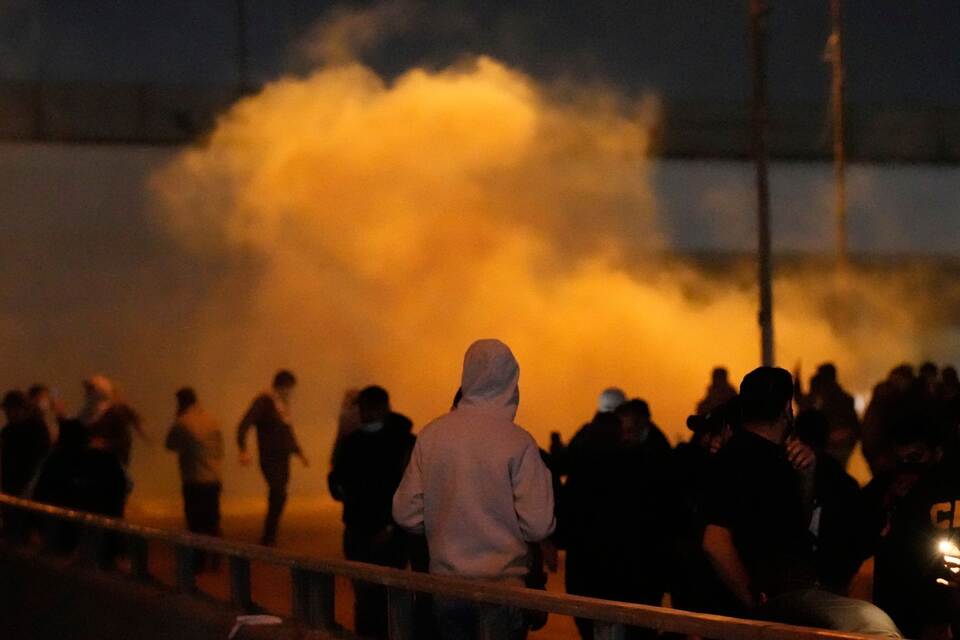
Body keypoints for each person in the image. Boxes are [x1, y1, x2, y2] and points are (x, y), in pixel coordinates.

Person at [702, 366, 900, 637]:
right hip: (778, 600)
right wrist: (755, 602)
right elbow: (715, 540)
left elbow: (796, 523)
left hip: (787, 595)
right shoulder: (739, 460)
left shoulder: (776, 460)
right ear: (787, 408)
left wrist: (806, 478)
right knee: (874, 624)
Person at [392, 339, 555, 640]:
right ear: (511, 382)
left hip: (446, 586)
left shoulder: (433, 435)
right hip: (505, 589)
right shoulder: (518, 443)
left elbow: (405, 514)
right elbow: (538, 525)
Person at [565, 395, 672, 639]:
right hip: (632, 579)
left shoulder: (592, 461)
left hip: (608, 578)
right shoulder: (655, 458)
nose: (625, 436)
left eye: (630, 430)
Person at [328, 385, 415, 638]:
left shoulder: (353, 443)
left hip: (364, 532)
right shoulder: (405, 441)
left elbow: (337, 483)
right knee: (388, 597)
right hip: (388, 533)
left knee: (368, 598)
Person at [237, 369, 308, 546]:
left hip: (283, 458)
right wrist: (243, 449)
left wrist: (299, 452)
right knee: (278, 492)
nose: (290, 393)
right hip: (270, 458)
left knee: (280, 495)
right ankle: (268, 536)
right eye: (289, 388)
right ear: (282, 386)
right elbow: (244, 424)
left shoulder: (281, 406)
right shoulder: (263, 402)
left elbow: (287, 431)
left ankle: (270, 534)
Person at [165, 387, 224, 570]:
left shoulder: (182, 422)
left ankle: (198, 562)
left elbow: (170, 444)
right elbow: (220, 448)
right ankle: (216, 556)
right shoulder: (212, 420)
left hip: (193, 479)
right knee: (212, 520)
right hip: (214, 477)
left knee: (195, 522)